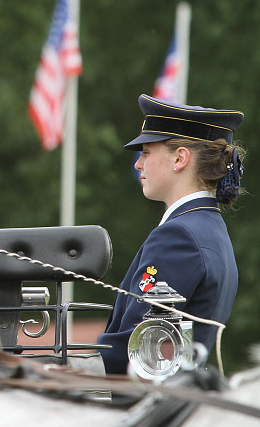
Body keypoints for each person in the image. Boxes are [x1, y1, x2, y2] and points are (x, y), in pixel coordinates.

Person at [98, 94, 245, 374]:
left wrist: (51, 366)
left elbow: (133, 348)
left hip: (139, 406)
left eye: (146, 152)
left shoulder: (179, 236)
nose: (138, 164)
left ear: (180, 158)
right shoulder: (209, 227)